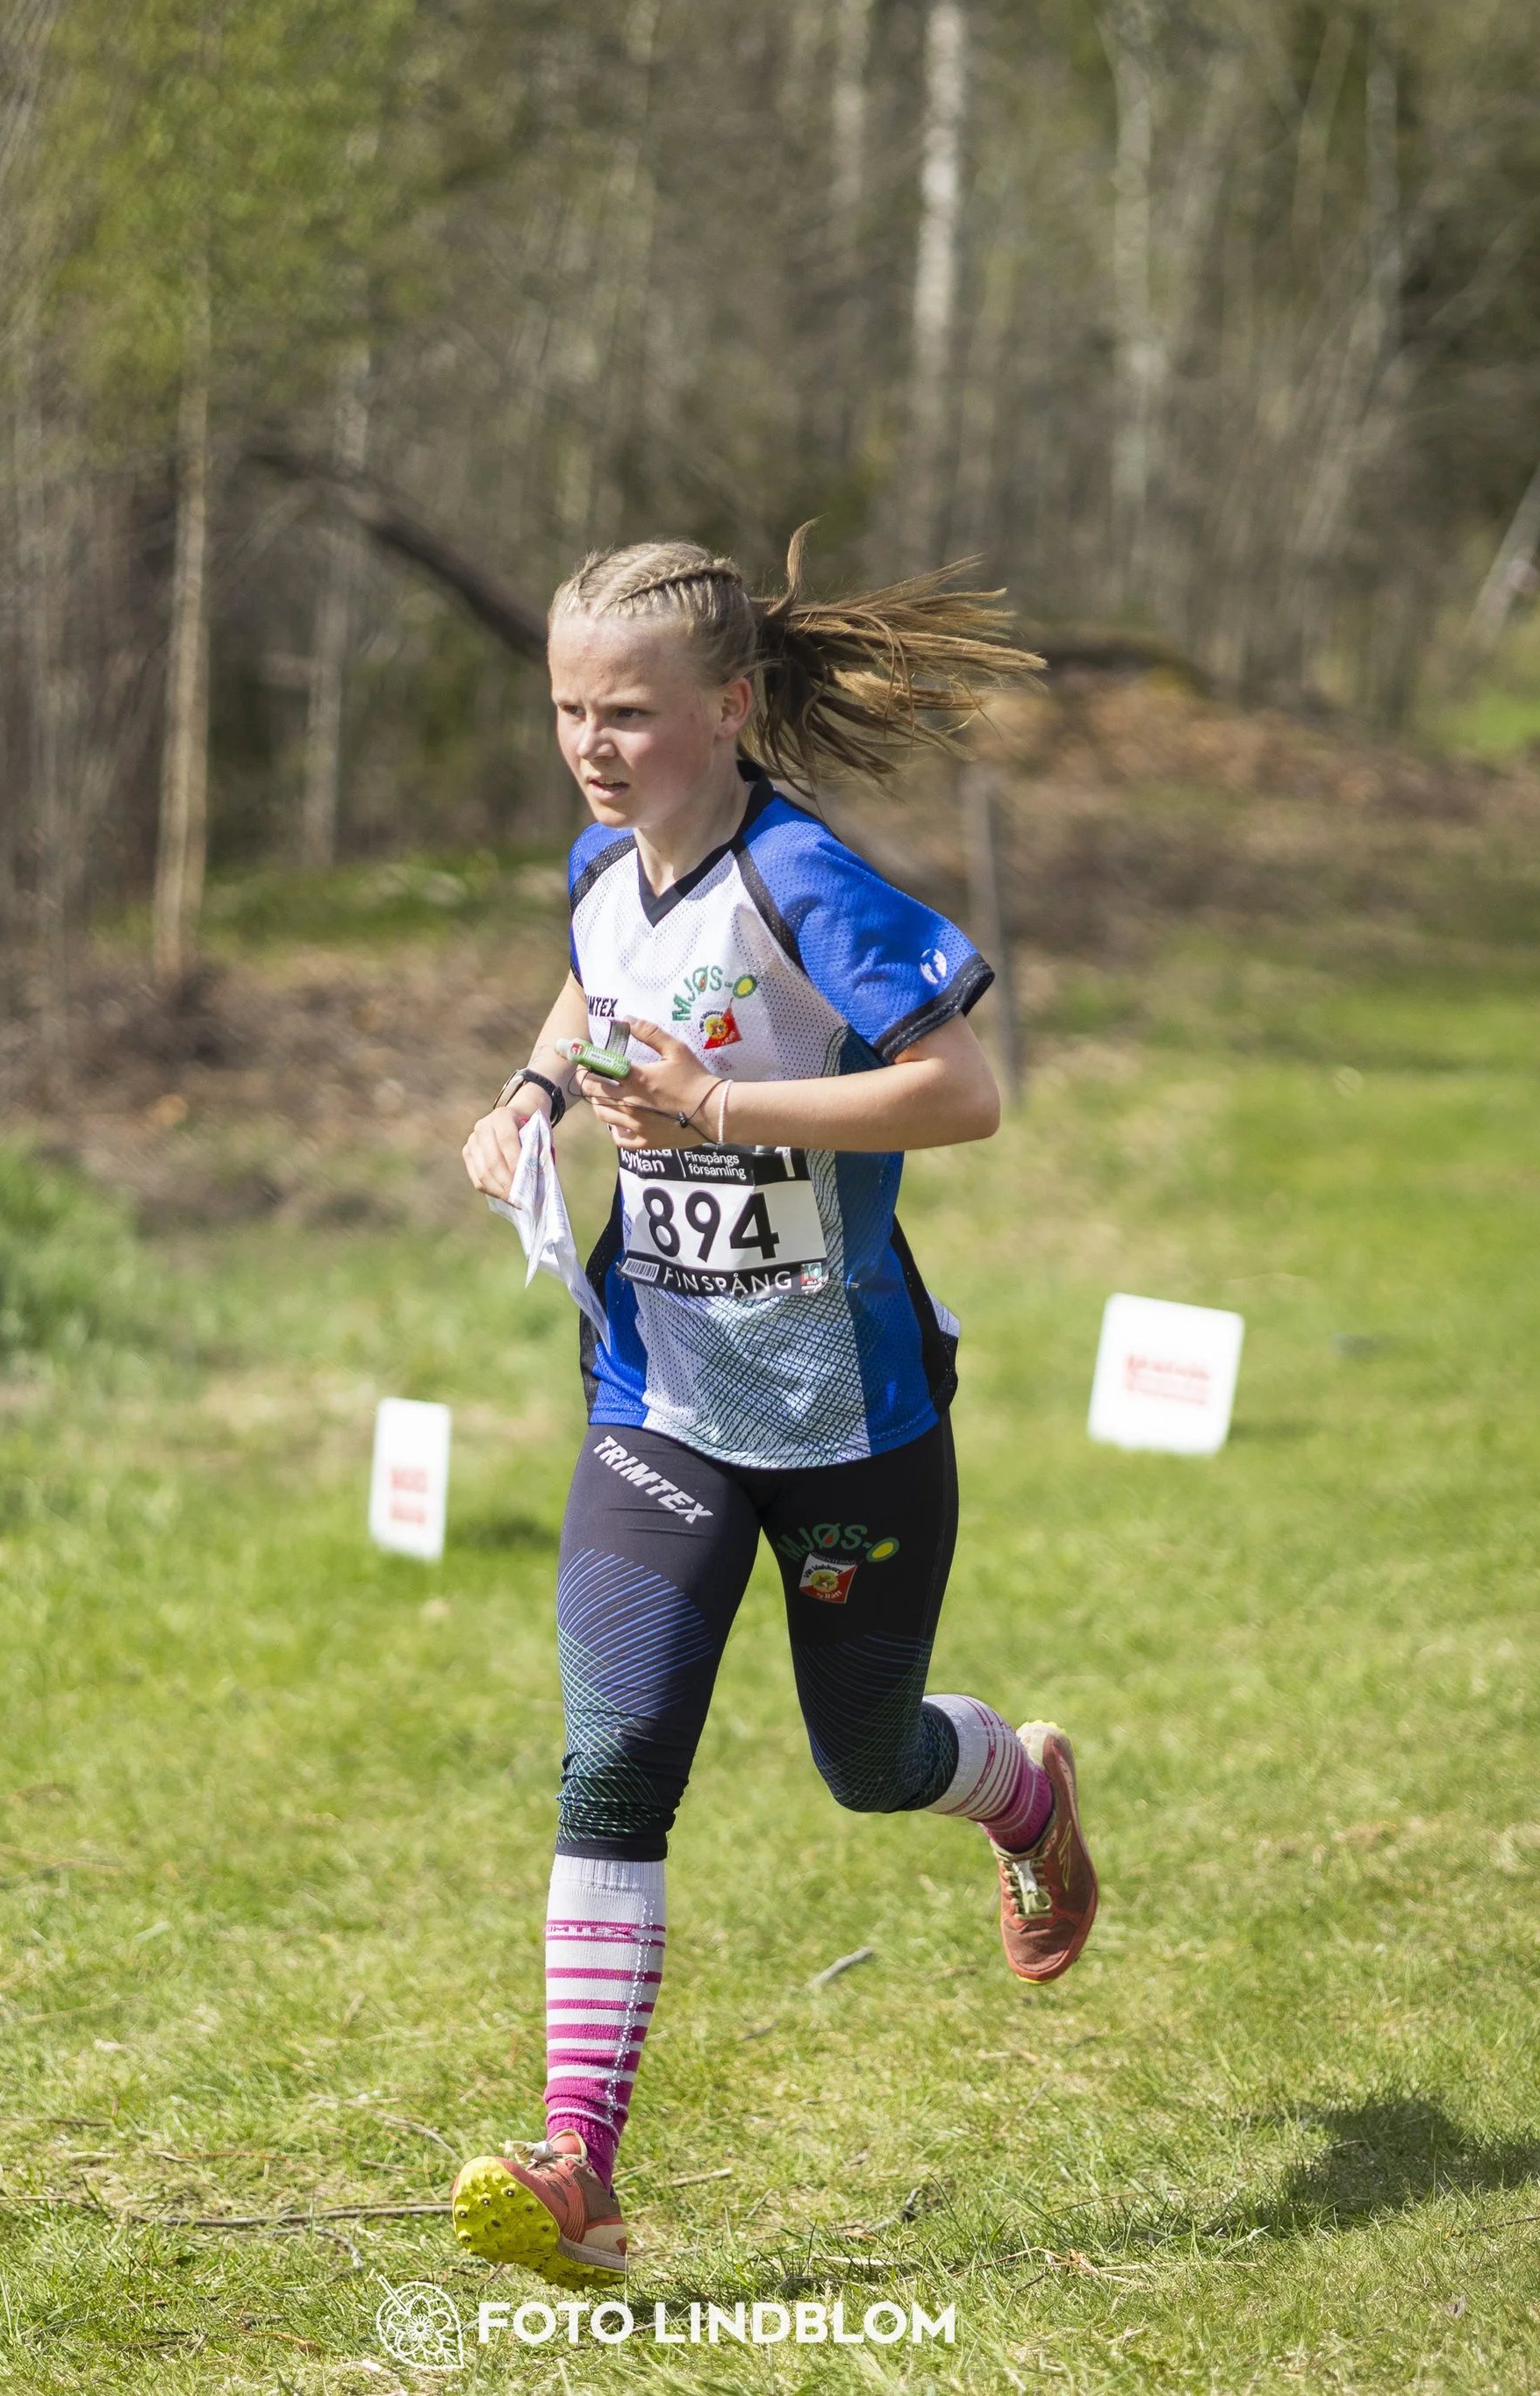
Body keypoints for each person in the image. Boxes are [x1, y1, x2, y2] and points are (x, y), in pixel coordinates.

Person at [449, 534, 1098, 2287]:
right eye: (570, 711)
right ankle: (577, 2160)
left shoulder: (803, 875)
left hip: (847, 1421)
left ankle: (1019, 1789)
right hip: (653, 1395)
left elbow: (960, 1093)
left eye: (632, 716)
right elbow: (598, 970)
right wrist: (531, 1094)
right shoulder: (604, 859)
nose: (595, 746)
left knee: (865, 1761)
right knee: (610, 1757)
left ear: (728, 707)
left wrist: (724, 1113)